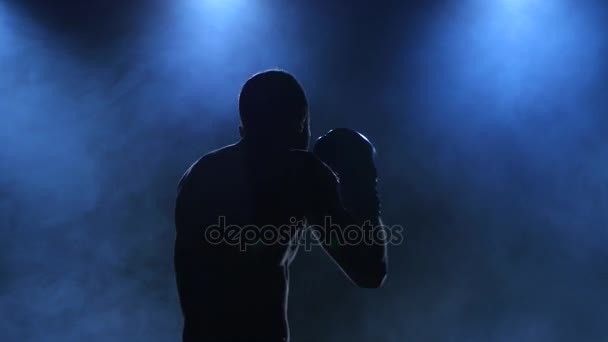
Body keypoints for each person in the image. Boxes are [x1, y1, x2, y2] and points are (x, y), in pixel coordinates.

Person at [174, 70, 388, 342]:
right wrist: (362, 183)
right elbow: (369, 271)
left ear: (244, 125)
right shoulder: (299, 170)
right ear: (301, 122)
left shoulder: (197, 174)